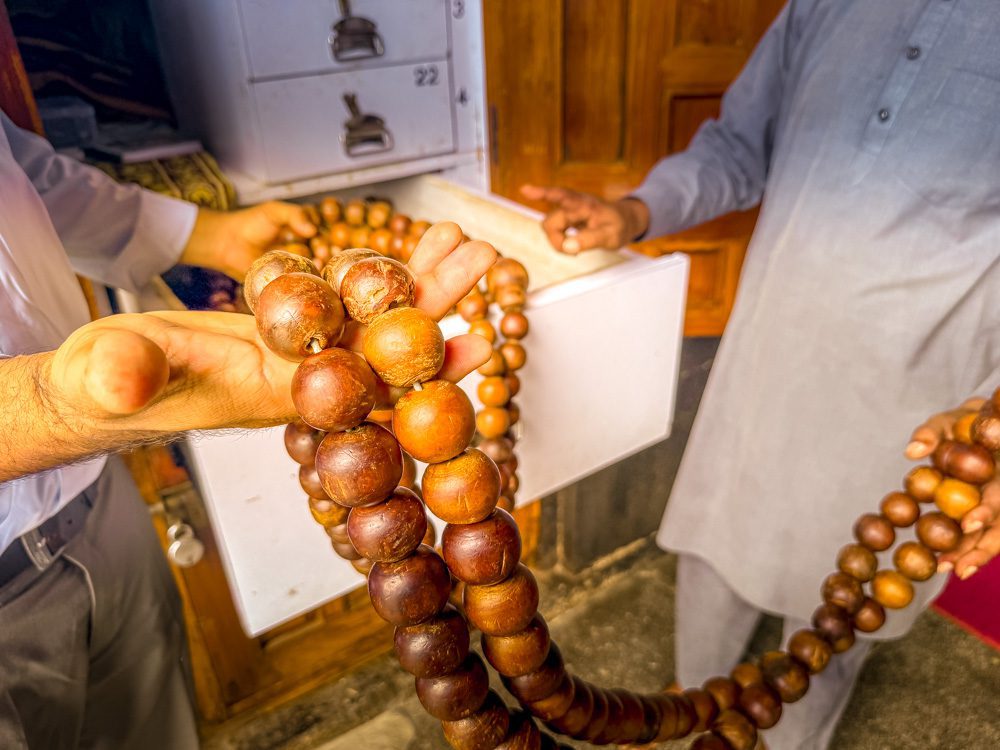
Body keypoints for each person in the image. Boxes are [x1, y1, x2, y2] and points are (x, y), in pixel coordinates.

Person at [524, 2, 1000, 747]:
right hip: (768, 358)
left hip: (918, 396)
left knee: (838, 616)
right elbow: (741, 146)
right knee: (718, 556)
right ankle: (696, 708)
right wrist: (637, 212)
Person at [0, 109, 495, 749]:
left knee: (154, 724)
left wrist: (205, 233)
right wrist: (48, 407)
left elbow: (23, 174)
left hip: (98, 496)